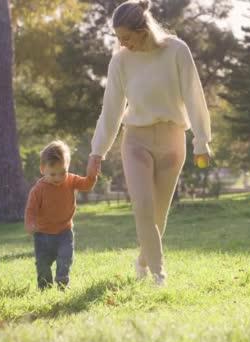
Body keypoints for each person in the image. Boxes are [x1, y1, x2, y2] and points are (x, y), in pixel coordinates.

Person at [86, 0, 212, 287]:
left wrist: (202, 141)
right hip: (136, 140)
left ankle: (143, 260)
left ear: (143, 29)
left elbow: (194, 97)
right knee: (142, 207)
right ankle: (159, 274)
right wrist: (98, 151)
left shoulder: (177, 51)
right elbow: (111, 111)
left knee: (159, 215)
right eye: (118, 38)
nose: (122, 43)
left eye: (127, 37)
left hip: (172, 139)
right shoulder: (120, 61)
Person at [24, 140, 99, 290]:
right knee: (43, 263)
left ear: (67, 167)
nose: (58, 178)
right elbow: (31, 210)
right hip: (43, 234)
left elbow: (86, 185)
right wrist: (30, 224)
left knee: (66, 257)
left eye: (62, 172)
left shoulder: (70, 180)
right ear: (42, 169)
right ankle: (44, 287)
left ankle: (62, 282)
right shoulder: (38, 190)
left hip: (65, 231)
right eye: (53, 174)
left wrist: (92, 175)